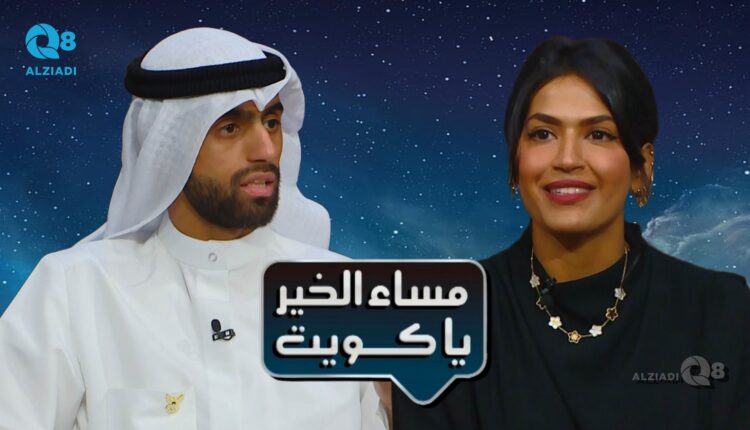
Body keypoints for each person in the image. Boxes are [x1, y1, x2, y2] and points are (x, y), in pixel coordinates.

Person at [0, 28, 386, 429]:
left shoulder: (347, 297)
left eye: (272, 122)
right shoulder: (75, 290)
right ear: (169, 148)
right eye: (230, 128)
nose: (266, 150)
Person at [391, 36, 750, 429]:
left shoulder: (721, 312)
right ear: (516, 159)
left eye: (599, 134)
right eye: (543, 134)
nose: (567, 159)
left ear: (641, 166)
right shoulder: (448, 320)